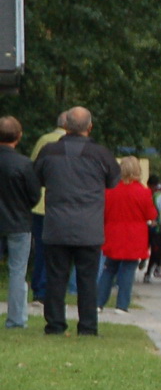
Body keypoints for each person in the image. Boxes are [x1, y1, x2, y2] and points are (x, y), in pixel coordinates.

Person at [34, 107, 123, 336]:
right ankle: (88, 326)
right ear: (90, 127)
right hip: (89, 226)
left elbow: (37, 178)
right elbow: (113, 181)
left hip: (56, 224)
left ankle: (54, 325)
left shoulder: (48, 151)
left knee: (56, 278)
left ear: (65, 126)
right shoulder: (101, 154)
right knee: (87, 279)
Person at [97, 156, 155, 312]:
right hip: (134, 235)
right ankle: (122, 305)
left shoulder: (109, 190)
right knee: (128, 269)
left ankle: (98, 302)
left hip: (113, 233)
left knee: (109, 268)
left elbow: (103, 212)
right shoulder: (143, 192)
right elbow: (151, 214)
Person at [0, 116, 40, 329]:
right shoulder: (24, 164)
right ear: (19, 136)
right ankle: (15, 319)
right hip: (18, 221)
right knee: (17, 271)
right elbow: (34, 196)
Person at [27, 115, 66, 302]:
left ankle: (38, 288)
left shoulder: (44, 140)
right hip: (61, 205)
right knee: (58, 250)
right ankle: (50, 287)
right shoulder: (73, 144)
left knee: (41, 249)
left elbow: (32, 167)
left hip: (40, 204)